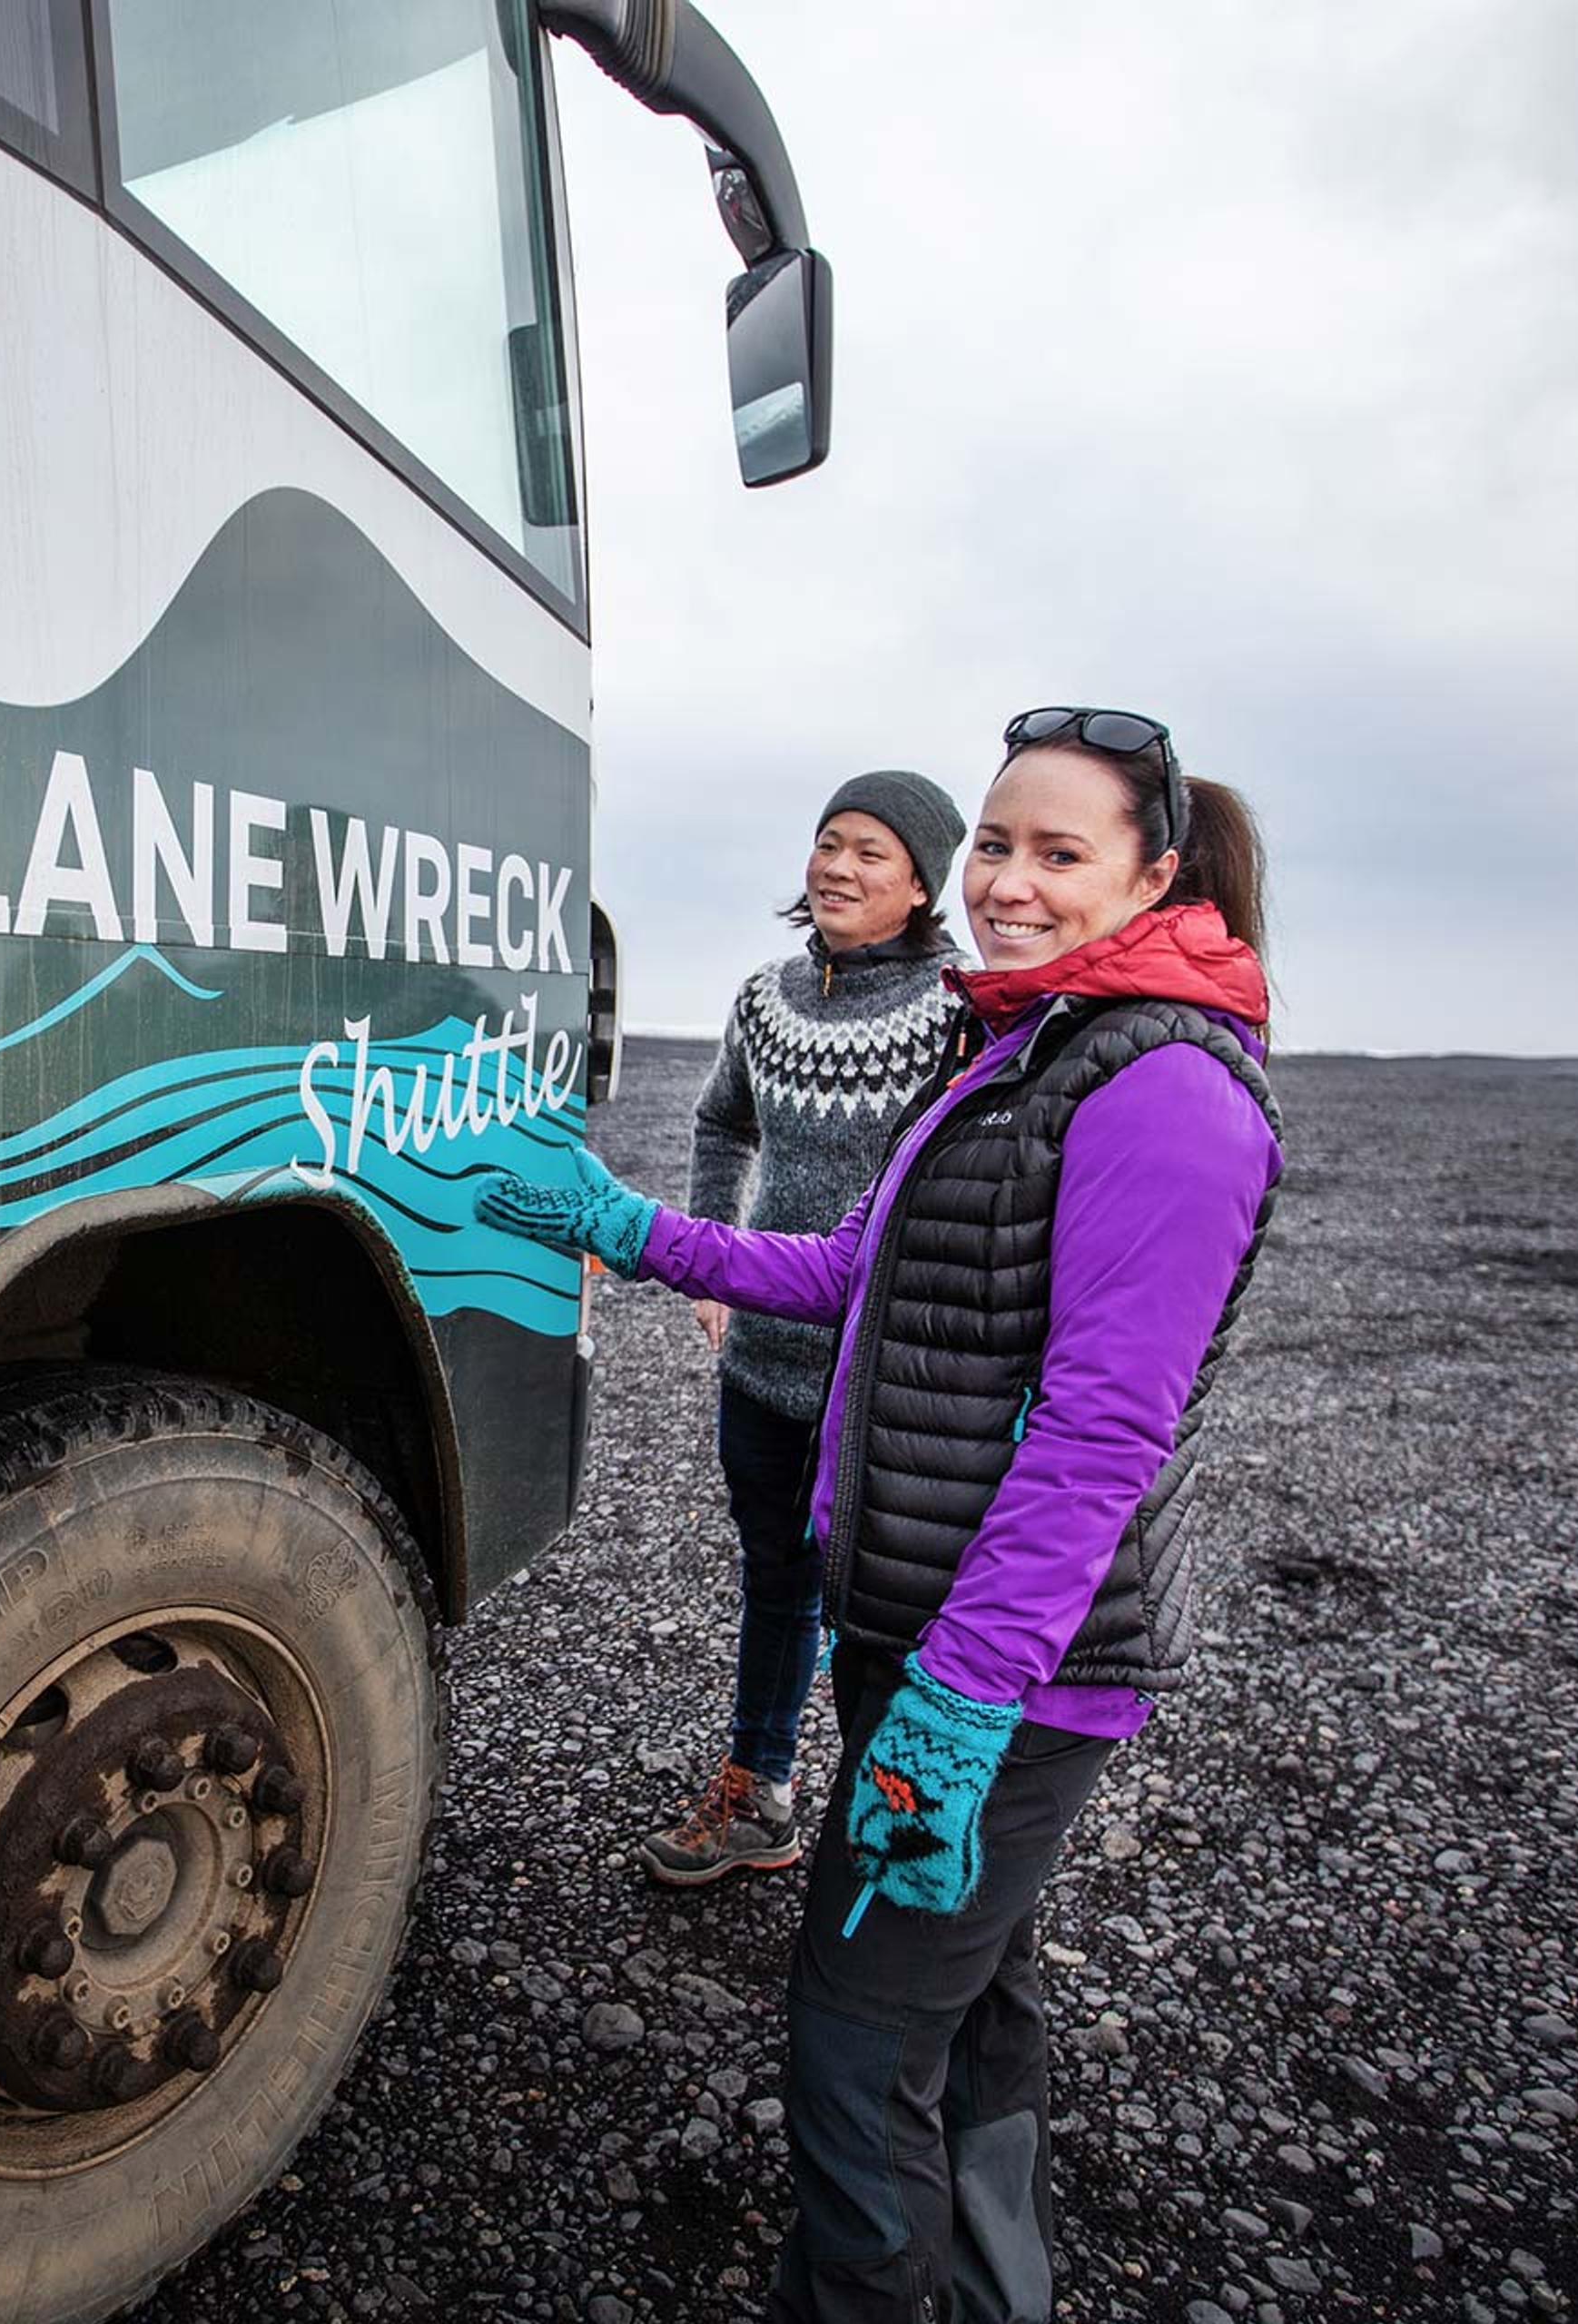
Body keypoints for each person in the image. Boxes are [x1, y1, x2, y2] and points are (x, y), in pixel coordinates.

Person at [481, 707, 1282, 2323]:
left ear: (1159, 872)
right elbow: (852, 1275)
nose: (1010, 882)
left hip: (1010, 1673)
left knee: (855, 2041)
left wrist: (966, 1700)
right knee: (968, 2002)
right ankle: (997, 2292)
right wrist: (632, 1228)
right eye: (998, 844)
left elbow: (1101, 1429)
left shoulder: (1165, 1092)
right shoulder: (1025, 1047)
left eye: (1062, 854)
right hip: (917, 1628)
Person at [648, 771, 974, 1887]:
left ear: (924, 882)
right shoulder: (765, 999)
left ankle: (900, 1826)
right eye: (828, 842)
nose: (837, 866)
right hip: (766, 1363)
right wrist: (708, 1259)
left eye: (871, 852)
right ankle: (760, 1791)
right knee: (774, 1581)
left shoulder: (965, 1013)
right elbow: (718, 1122)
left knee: (892, 1613)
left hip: (894, 1382)